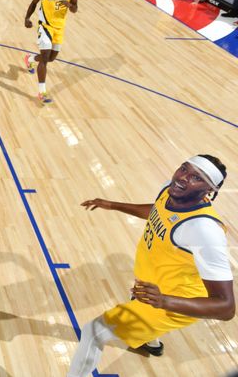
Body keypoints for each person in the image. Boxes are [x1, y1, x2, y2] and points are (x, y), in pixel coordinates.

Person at [68, 156, 233, 376]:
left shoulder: (204, 230)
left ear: (209, 190)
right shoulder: (171, 190)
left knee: (93, 332)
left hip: (175, 301)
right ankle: (151, 343)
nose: (183, 178)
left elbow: (226, 308)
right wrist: (113, 205)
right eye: (184, 168)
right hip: (154, 283)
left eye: (196, 177)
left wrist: (164, 300)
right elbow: (157, 212)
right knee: (139, 302)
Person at [22, 0, 78, 104]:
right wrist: (27, 18)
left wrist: (70, 5)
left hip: (60, 28)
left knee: (51, 58)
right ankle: (42, 92)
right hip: (45, 26)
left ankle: (29, 59)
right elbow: (33, 3)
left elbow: (75, 9)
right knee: (45, 59)